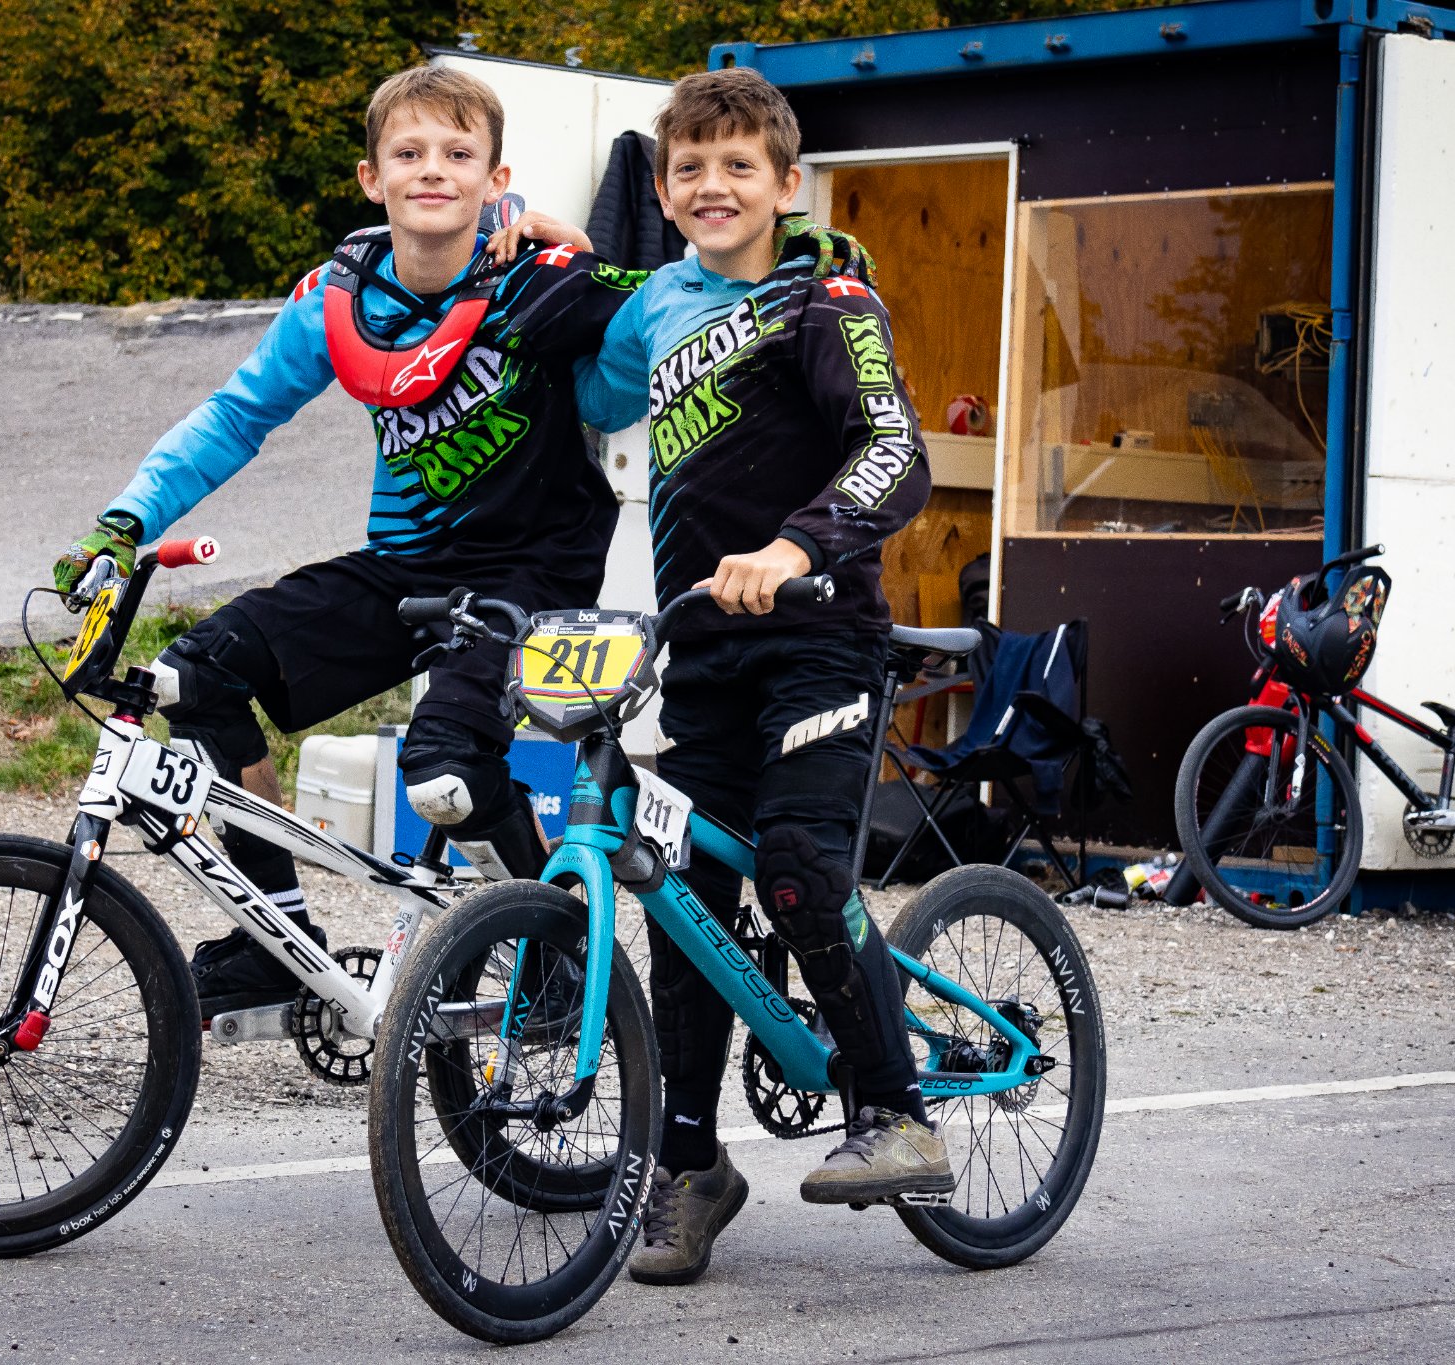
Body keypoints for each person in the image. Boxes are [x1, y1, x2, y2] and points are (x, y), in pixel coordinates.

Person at [52, 66, 643, 1020]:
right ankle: (275, 944)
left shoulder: (539, 278)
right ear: (372, 177)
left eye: (458, 153)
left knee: (446, 775)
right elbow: (236, 415)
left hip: (532, 572)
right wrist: (125, 522)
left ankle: (561, 962)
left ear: (496, 178)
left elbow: (663, 336)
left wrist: (589, 266)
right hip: (408, 567)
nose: (433, 170)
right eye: (409, 152)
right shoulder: (341, 295)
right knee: (196, 676)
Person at [571, 66, 944, 1286]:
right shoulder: (657, 305)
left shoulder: (825, 297)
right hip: (702, 649)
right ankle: (689, 1167)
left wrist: (794, 548)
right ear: (662, 190)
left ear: (786, 184)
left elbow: (894, 451)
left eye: (739, 166)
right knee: (678, 899)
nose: (711, 185)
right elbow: (585, 382)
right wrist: (526, 253)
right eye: (689, 167)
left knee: (793, 867)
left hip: (819, 636)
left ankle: (893, 1109)